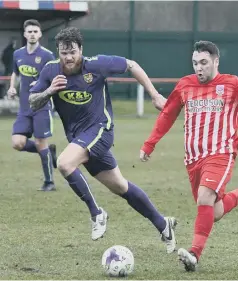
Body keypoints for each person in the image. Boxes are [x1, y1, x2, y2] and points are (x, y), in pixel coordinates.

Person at [28, 26, 177, 254]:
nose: (68, 57)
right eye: (63, 52)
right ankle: (162, 224)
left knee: (65, 163)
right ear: (58, 52)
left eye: (73, 52)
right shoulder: (50, 71)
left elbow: (131, 65)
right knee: (121, 186)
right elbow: (32, 102)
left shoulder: (96, 65)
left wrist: (155, 95)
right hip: (80, 138)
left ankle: (97, 213)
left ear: (81, 50)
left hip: (101, 130)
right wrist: (49, 91)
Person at [140, 40, 238, 271]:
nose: (199, 68)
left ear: (216, 61)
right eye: (195, 63)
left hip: (221, 154)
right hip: (193, 159)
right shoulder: (185, 85)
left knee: (204, 198)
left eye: (204, 62)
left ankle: (194, 254)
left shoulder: (232, 84)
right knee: (211, 212)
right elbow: (167, 114)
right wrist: (149, 144)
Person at [7, 19, 57, 191]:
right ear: (24, 34)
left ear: (40, 34)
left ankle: (49, 182)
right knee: (17, 143)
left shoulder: (47, 56)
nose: (32, 34)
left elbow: (54, 80)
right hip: (24, 108)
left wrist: (40, 85)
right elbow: (14, 72)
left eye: (36, 31)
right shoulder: (18, 54)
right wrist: (13, 87)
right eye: (29, 31)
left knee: (40, 142)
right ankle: (48, 153)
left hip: (41, 106)